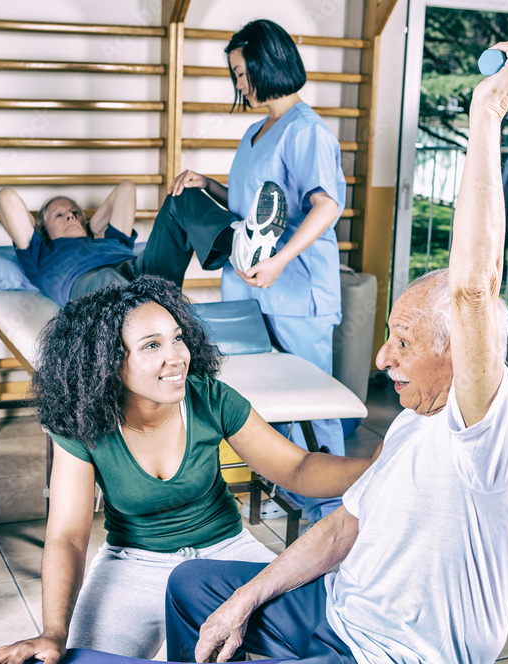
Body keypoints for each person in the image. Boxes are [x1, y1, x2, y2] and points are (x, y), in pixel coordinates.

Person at [163, 38, 508, 664]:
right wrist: (246, 599)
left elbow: (474, 288)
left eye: (403, 342)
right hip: (336, 608)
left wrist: (488, 114)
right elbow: (344, 524)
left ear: (462, 354)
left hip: (390, 652)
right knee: (192, 588)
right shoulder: (410, 426)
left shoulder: (488, 431)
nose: (381, 359)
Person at [0, 275, 380, 664]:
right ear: (108, 362)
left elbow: (297, 467)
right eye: (152, 346)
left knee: (335, 640)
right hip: (133, 564)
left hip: (227, 553)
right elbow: (68, 536)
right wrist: (53, 631)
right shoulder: (85, 425)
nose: (176, 356)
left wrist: (376, 466)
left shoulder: (209, 397)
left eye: (177, 338)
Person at [168, 19, 349, 523]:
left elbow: (325, 205)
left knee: (313, 404)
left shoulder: (308, 131)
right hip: (250, 285)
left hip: (295, 289)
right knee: (266, 397)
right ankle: (291, 488)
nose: (239, 85)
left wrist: (279, 261)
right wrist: (206, 183)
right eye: (235, 75)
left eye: (243, 73)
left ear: (269, 65)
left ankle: (332, 511)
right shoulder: (254, 133)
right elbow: (250, 207)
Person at [0, 177, 286, 307]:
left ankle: (239, 248)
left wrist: (91, 226)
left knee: (180, 195)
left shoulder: (109, 239)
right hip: (90, 282)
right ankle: (156, 317)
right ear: (43, 229)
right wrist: (86, 224)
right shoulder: (40, 253)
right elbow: (6, 197)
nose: (71, 216)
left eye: (75, 212)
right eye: (59, 215)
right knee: (109, 280)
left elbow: (126, 187)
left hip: (140, 269)